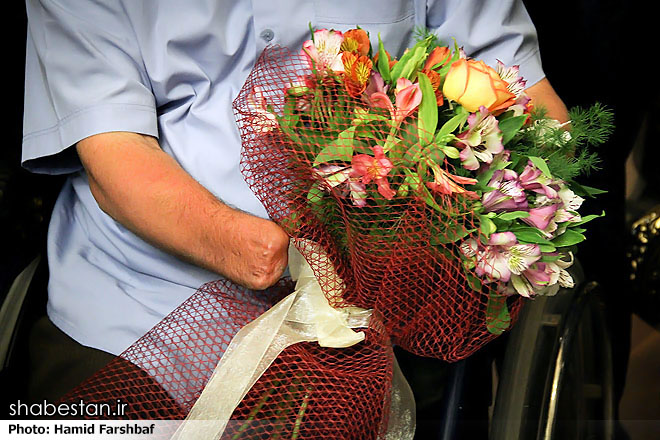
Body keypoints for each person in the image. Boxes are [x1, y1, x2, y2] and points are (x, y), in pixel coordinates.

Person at [22, 0, 567, 407]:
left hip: (388, 312)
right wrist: (274, 256)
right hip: (142, 309)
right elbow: (114, 155)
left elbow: (533, 104)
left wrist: (509, 216)